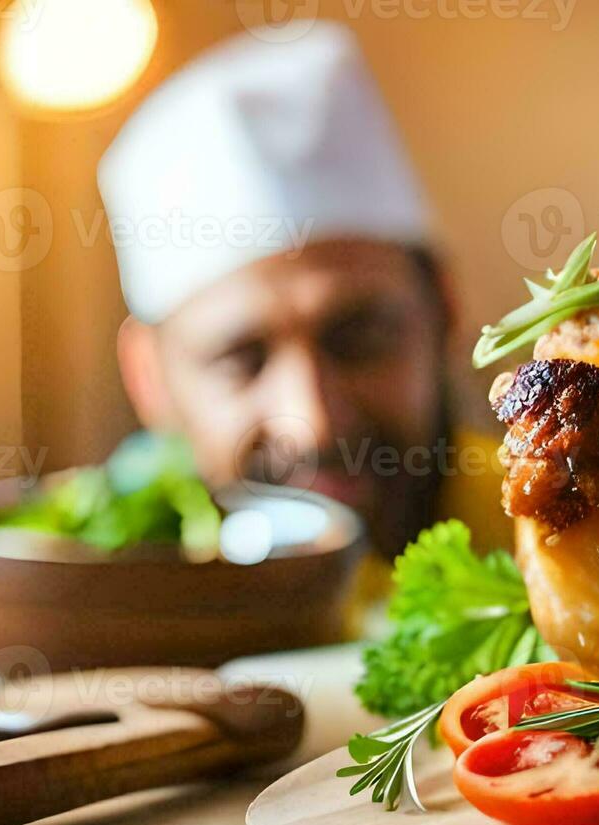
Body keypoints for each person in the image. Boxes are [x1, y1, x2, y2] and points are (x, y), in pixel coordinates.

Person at [97, 24, 506, 582]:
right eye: (241, 359)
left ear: (446, 309)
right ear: (148, 378)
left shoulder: (582, 562)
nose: (312, 423)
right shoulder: (118, 612)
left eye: (361, 337)